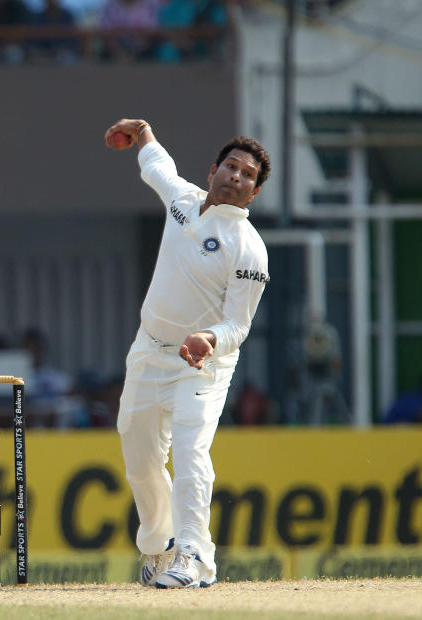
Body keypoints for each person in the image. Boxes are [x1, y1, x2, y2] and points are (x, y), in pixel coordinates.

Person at [104, 118, 270, 588]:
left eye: (247, 177)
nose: (237, 177)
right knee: (139, 456)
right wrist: (143, 132)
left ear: (253, 194)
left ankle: (195, 557)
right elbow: (160, 167)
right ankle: (160, 548)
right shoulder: (183, 200)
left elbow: (238, 324)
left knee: (192, 450)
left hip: (202, 365)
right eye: (231, 167)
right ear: (214, 169)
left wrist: (208, 339)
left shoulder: (248, 248)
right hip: (147, 349)